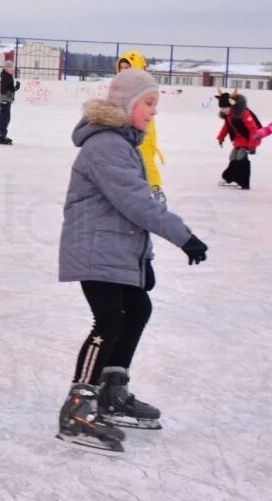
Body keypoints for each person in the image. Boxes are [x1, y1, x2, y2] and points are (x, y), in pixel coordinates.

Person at [56, 69, 208, 454]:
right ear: (126, 104)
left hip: (113, 246)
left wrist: (144, 260)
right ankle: (79, 406)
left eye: (156, 104)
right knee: (108, 320)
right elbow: (136, 202)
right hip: (94, 248)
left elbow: (129, 208)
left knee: (137, 307)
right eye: (148, 103)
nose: (154, 112)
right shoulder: (106, 144)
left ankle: (111, 391)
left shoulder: (124, 143)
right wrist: (183, 237)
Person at [116, 51, 167, 202]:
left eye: (128, 67)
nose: (124, 70)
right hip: (124, 125)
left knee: (145, 156)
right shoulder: (119, 86)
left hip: (144, 124)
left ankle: (156, 189)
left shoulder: (144, 85)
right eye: (122, 67)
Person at [215, 91, 263, 190]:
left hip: (251, 138)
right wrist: (221, 137)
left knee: (241, 157)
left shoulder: (244, 113)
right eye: (221, 108)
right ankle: (233, 178)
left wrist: (253, 146)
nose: (223, 110)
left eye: (224, 108)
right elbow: (227, 127)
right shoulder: (229, 115)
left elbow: (254, 130)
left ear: (231, 106)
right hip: (239, 139)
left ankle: (240, 181)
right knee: (233, 157)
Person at [0, 59, 20, 145]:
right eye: (10, 67)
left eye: (12, 67)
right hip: (5, 99)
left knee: (3, 118)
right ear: (6, 68)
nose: (12, 69)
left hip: (5, 99)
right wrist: (16, 87)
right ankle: (1, 136)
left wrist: (15, 88)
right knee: (5, 118)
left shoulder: (6, 75)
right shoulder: (6, 76)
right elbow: (9, 88)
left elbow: (9, 88)